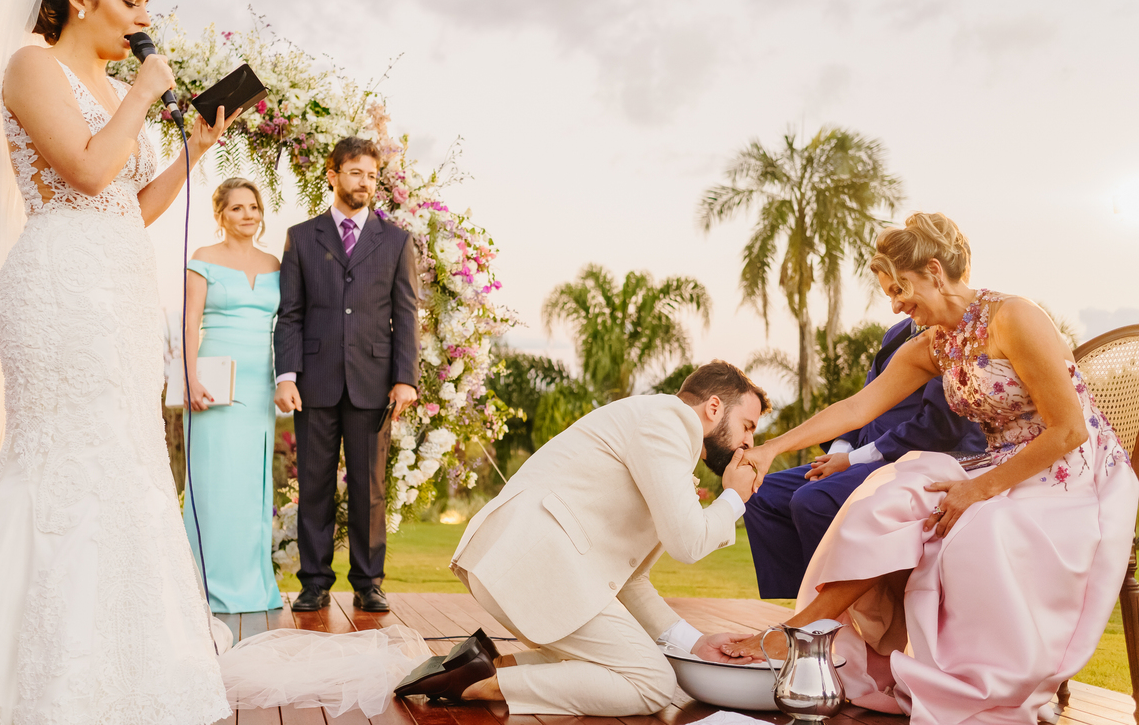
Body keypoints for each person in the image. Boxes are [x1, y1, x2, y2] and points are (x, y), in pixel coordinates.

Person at [0, 0, 244, 723]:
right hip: (59, 285)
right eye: (130, 0)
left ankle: (126, 658)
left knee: (126, 456)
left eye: (148, 3)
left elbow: (126, 206)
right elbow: (82, 172)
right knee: (62, 457)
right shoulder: (31, 65)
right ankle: (23, 664)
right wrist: (143, 94)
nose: (144, 18)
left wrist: (192, 151)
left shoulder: (113, 87)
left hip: (121, 284)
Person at [726, 213, 1139, 725]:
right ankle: (803, 633)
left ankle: (970, 681)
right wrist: (770, 448)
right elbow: (857, 408)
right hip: (999, 463)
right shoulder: (934, 345)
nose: (895, 304)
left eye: (899, 289)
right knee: (889, 499)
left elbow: (1069, 430)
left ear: (935, 272)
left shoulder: (1015, 317)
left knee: (979, 527)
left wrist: (979, 490)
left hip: (1071, 471)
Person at [395, 361, 769, 716]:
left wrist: (694, 642)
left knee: (603, 664)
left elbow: (631, 579)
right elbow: (688, 543)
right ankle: (480, 686)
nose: (749, 442)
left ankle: (482, 667)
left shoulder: (662, 430)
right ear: (714, 407)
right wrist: (734, 497)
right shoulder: (669, 422)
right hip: (536, 563)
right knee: (652, 682)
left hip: (525, 563)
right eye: (747, 426)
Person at [273, 137, 420, 614]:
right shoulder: (301, 237)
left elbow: (406, 314)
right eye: (356, 172)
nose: (365, 183)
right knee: (314, 486)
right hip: (313, 382)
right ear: (333, 175)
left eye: (372, 176)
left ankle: (368, 582)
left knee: (369, 488)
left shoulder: (396, 241)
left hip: (373, 383)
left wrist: (406, 378)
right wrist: (286, 375)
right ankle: (314, 582)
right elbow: (290, 313)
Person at [744, 317, 986, 599]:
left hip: (908, 458)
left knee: (811, 501)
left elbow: (937, 429)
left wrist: (852, 461)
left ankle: (828, 610)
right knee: (760, 494)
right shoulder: (898, 332)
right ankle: (804, 600)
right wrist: (839, 452)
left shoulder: (957, 339)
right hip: (858, 452)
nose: (896, 305)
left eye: (899, 293)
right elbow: (863, 402)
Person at [182, 177, 283, 613]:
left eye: (254, 207)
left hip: (260, 383)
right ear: (220, 214)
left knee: (250, 485)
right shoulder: (203, 259)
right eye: (238, 208)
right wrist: (189, 377)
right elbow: (189, 321)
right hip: (212, 381)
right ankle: (202, 586)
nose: (248, 215)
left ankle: (252, 586)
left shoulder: (275, 263)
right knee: (213, 484)